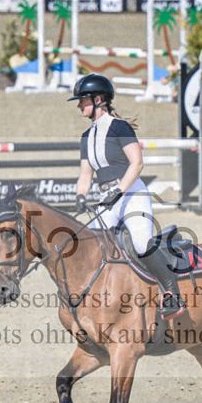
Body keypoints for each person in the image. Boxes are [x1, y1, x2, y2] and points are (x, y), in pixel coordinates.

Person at [71, 74, 184, 320]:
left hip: (132, 193)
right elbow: (85, 174)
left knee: (141, 242)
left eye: (82, 100)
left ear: (98, 100)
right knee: (93, 247)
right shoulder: (86, 137)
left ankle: (172, 293)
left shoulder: (119, 128)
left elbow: (137, 163)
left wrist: (120, 191)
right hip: (107, 197)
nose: (79, 105)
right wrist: (80, 196)